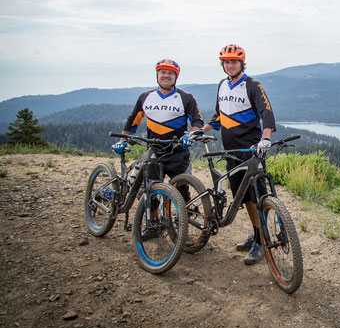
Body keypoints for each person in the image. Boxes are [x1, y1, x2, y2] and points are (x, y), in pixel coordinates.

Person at [200, 44, 276, 265]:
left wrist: (266, 138)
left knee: (258, 195)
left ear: (242, 63)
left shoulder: (252, 85)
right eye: (226, 62)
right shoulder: (222, 85)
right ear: (222, 65)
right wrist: (200, 130)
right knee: (244, 197)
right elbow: (219, 116)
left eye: (234, 61)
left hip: (252, 150)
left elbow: (266, 112)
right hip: (231, 150)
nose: (230, 65)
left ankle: (263, 242)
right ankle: (257, 233)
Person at [112, 59, 204, 203]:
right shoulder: (145, 97)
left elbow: (197, 121)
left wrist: (191, 134)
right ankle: (154, 225)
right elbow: (132, 122)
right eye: (163, 72)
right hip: (154, 151)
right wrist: (123, 140)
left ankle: (182, 220)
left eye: (170, 73)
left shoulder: (186, 98)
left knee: (183, 194)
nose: (166, 76)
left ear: (176, 77)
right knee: (151, 195)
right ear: (157, 74)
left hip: (178, 152)